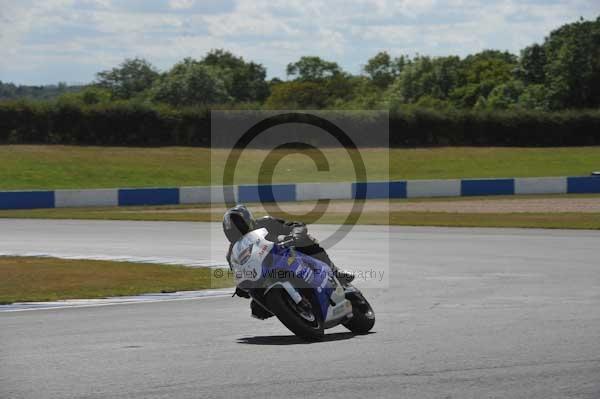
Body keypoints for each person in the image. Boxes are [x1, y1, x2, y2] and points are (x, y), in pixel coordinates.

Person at [223, 204, 354, 319]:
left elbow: (295, 225)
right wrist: (240, 286)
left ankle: (334, 271)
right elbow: (239, 272)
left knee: (306, 240)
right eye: (232, 230)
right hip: (264, 276)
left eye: (239, 225)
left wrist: (295, 235)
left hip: (287, 254)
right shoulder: (232, 254)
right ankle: (292, 309)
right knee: (257, 310)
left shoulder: (265, 223)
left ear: (247, 220)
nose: (237, 230)